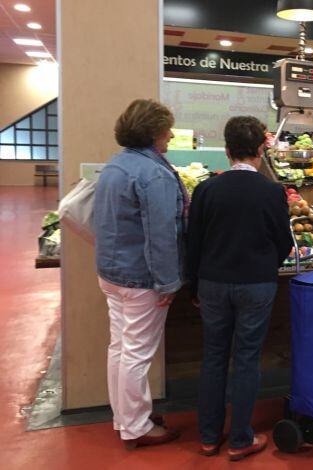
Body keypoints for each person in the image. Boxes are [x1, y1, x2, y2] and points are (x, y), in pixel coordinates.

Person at [186, 116, 293, 461]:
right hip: (256, 283)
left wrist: (194, 287)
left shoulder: (206, 189)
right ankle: (240, 439)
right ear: (261, 151)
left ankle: (207, 437)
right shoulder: (273, 192)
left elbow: (194, 242)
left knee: (214, 357)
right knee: (247, 358)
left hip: (213, 283)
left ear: (228, 150)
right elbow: (283, 242)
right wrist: (267, 264)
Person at [93, 99, 186, 449]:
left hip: (112, 273)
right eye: (166, 130)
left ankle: (125, 416)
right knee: (136, 352)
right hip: (141, 279)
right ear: (152, 133)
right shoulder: (154, 174)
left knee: (120, 346)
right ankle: (137, 426)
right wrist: (168, 282)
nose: (171, 135)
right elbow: (161, 235)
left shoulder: (115, 166)